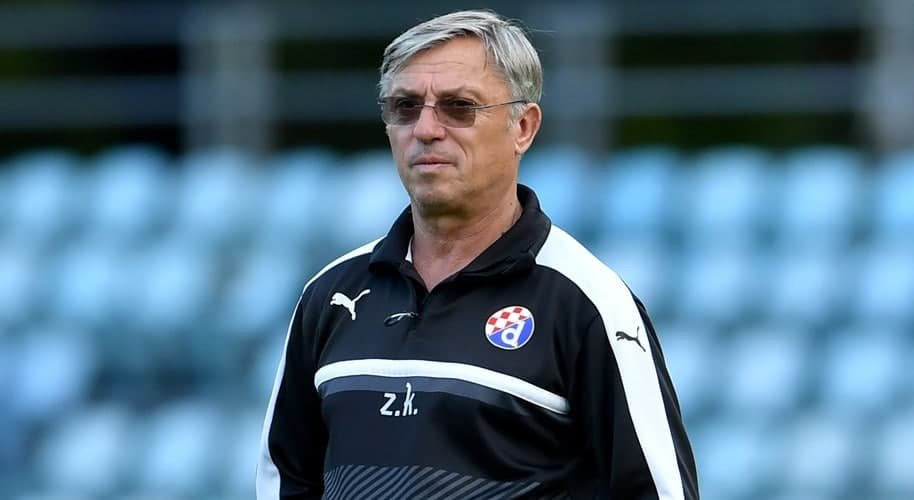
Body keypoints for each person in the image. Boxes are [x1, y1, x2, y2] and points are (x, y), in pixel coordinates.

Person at [257, 9, 698, 499]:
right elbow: (286, 480)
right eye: (405, 107)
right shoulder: (330, 296)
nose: (426, 128)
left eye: (458, 107)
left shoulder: (586, 302)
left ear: (523, 127)